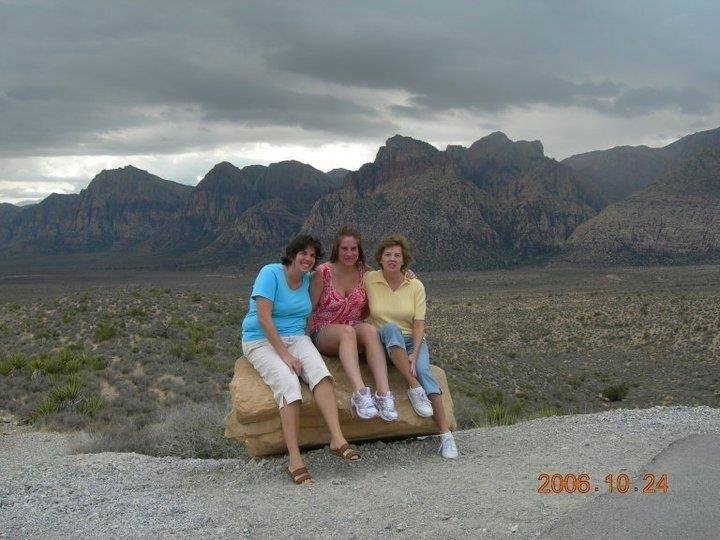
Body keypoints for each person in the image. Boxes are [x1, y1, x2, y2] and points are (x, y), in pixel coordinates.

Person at [241, 234, 360, 485]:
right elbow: (264, 318)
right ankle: (294, 458)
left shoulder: (309, 279)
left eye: (313, 255)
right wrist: (285, 356)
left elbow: (346, 267)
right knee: (289, 384)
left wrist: (407, 273)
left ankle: (337, 439)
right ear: (293, 253)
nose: (307, 259)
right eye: (303, 253)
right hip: (260, 339)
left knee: (320, 373)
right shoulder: (270, 273)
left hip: (296, 336)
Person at [363, 235, 459, 459]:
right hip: (383, 342)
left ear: (404, 259)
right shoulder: (369, 279)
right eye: (388, 255)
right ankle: (413, 386)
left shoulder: (415, 285)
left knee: (426, 370)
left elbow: (419, 324)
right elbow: (348, 266)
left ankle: (446, 436)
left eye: (397, 255)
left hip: (411, 342)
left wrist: (414, 355)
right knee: (390, 328)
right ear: (380, 258)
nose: (392, 259)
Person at [309, 226, 398, 422]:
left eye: (354, 249)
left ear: (359, 250)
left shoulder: (365, 272)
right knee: (347, 332)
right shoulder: (322, 273)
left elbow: (390, 279)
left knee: (369, 330)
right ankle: (360, 393)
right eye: (345, 249)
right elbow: (308, 309)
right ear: (337, 249)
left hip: (353, 327)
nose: (349, 253)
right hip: (323, 331)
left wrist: (409, 275)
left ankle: (384, 395)